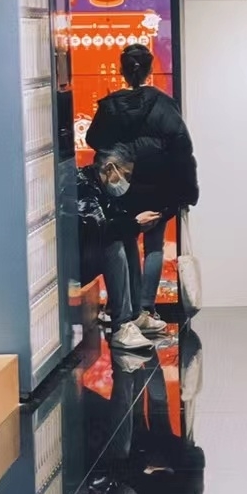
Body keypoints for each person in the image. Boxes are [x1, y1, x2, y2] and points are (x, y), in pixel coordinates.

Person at [87, 44, 199, 333]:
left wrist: (124, 148)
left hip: (122, 186)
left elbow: (93, 139)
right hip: (158, 184)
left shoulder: (109, 106)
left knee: (126, 241)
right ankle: (147, 307)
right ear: (150, 70)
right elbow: (182, 147)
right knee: (154, 245)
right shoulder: (163, 104)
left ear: (122, 70)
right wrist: (188, 190)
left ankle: (129, 308)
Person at [77, 148, 154, 353]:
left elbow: (114, 219)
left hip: (82, 253)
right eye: (126, 175)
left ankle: (134, 314)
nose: (126, 182)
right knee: (113, 245)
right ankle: (122, 326)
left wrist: (135, 225)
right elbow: (98, 229)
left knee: (126, 238)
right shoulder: (82, 186)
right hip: (72, 262)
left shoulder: (99, 185)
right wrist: (135, 224)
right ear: (110, 168)